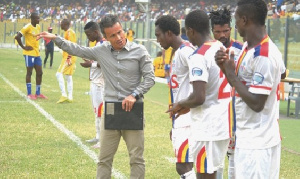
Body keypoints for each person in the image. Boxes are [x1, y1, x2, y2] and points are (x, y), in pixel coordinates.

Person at [37, 14, 155, 178]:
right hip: (112, 110)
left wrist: (134, 94)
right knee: (104, 160)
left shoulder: (139, 51)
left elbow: (150, 79)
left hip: (133, 110)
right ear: (105, 37)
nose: (119, 37)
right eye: (113, 35)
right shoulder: (102, 50)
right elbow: (77, 50)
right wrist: (56, 38)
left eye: (120, 32)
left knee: (136, 159)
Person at [215, 0, 285, 178]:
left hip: (258, 144)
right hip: (248, 137)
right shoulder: (248, 47)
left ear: (245, 20)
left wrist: (230, 74)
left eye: (236, 20)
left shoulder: (264, 55)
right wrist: (224, 67)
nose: (235, 25)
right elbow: (281, 74)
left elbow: (257, 103)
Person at [167, 10, 232, 179]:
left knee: (205, 174)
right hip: (223, 122)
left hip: (207, 127)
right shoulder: (220, 47)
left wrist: (180, 104)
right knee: (213, 171)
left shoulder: (199, 55)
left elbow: (198, 97)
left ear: (190, 31)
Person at [155, 15, 196, 179]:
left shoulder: (186, 52)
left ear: (169, 33)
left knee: (183, 166)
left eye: (158, 35)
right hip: (180, 118)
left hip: (188, 118)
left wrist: (189, 105)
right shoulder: (177, 52)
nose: (157, 39)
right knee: (186, 164)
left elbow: (202, 80)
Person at [210, 7, 243, 179]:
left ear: (231, 29)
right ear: (212, 31)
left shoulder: (241, 49)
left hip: (236, 109)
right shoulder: (207, 49)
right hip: (214, 110)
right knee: (216, 157)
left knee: (233, 154)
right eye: (217, 31)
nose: (222, 35)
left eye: (225, 31)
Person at [80, 21, 105, 149]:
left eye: (89, 34)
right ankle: (97, 136)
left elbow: (107, 64)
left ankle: (102, 140)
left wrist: (91, 64)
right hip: (94, 83)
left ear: (96, 32)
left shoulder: (104, 45)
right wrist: (91, 62)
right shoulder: (97, 44)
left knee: (101, 112)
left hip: (100, 84)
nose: (88, 37)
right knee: (96, 112)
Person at [15, 12, 47, 100]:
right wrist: (24, 47)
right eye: (37, 18)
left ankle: (38, 93)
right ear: (32, 19)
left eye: (39, 18)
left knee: (40, 72)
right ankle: (29, 94)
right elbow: (17, 36)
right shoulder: (27, 27)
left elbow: (36, 38)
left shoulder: (38, 26)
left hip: (37, 53)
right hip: (29, 54)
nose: (39, 20)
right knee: (29, 72)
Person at [56, 19, 77, 103]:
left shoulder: (69, 32)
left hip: (69, 57)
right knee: (68, 77)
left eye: (61, 24)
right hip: (70, 56)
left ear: (65, 24)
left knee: (58, 74)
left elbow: (71, 45)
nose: (60, 25)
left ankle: (64, 95)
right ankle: (70, 96)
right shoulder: (68, 32)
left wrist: (68, 57)